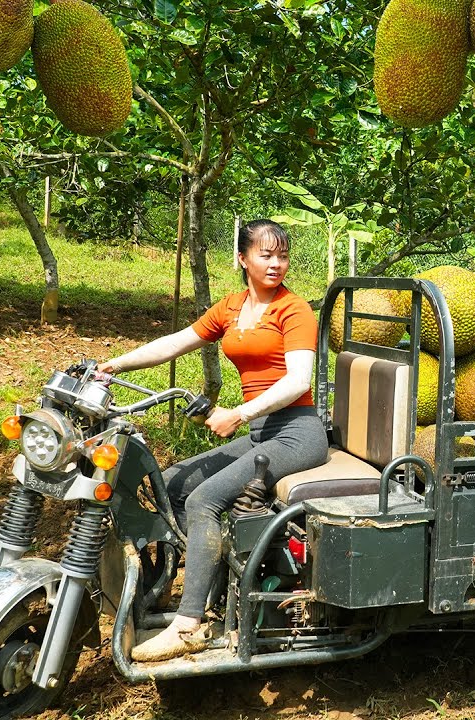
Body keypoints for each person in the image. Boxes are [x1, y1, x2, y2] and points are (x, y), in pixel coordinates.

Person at [100, 219, 328, 662]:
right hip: (265, 431)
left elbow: (300, 377)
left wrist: (239, 412)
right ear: (243, 259)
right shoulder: (233, 306)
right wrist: (115, 365)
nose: (276, 264)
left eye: (282, 255)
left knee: (203, 500)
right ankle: (212, 582)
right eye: (266, 255)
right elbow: (175, 342)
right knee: (171, 484)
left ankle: (188, 626)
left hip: (298, 433)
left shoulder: (294, 310)